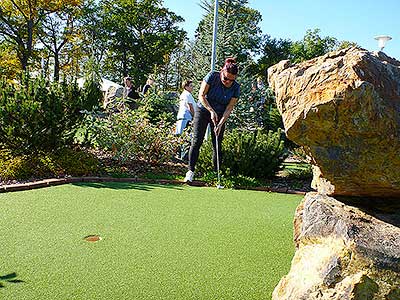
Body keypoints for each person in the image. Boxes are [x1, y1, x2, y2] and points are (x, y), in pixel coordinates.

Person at [184, 58, 240, 183]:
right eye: (226, 79)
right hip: (203, 110)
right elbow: (201, 95)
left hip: (221, 113)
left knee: (217, 144)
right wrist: (211, 111)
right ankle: (190, 172)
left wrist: (221, 123)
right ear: (222, 72)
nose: (228, 82)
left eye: (232, 80)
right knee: (197, 141)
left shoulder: (236, 88)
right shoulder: (212, 76)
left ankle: (216, 175)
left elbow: (229, 108)